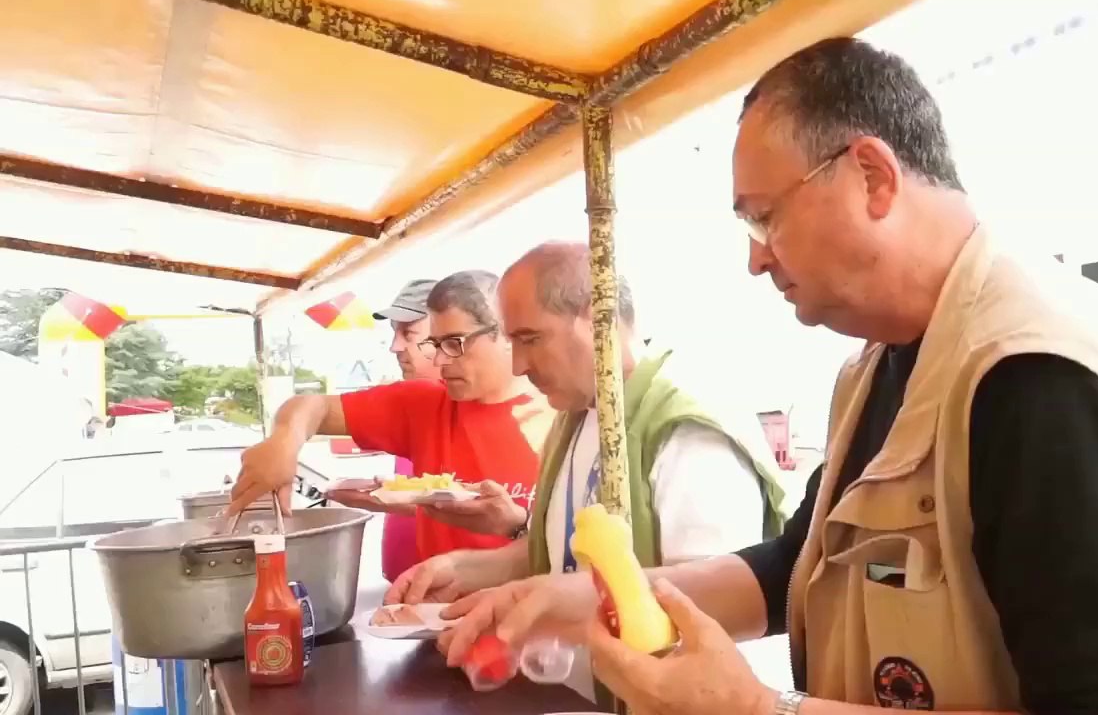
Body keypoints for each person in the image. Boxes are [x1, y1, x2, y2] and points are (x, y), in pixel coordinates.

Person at [437, 38, 1098, 715]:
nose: (756, 257)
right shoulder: (881, 367)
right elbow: (794, 566)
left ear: (872, 175)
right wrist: (577, 599)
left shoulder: (1036, 376)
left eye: (764, 217)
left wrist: (759, 709)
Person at [387, 241, 790, 701]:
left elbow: (711, 602)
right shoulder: (577, 412)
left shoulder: (685, 428)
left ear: (597, 318)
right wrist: (470, 569)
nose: (519, 364)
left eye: (530, 339)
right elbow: (568, 554)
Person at [230, 270, 554, 566]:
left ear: (508, 335)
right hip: (436, 619)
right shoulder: (423, 405)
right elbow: (314, 406)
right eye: (435, 344)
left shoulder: (562, 418)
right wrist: (284, 442)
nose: (440, 360)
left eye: (455, 343)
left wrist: (517, 525)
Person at [325, 278, 442, 583]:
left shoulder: (471, 405)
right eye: (394, 333)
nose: (395, 347)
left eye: (408, 333)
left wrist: (389, 500)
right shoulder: (410, 400)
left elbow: (476, 508)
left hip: (444, 592)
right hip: (403, 583)